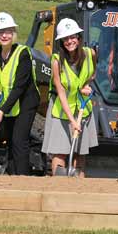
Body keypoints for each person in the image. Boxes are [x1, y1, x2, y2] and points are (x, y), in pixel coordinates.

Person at [42, 18, 97, 177]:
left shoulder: (90, 54)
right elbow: (60, 91)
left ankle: (78, 189)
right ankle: (58, 188)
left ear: (79, 38)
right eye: (65, 39)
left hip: (82, 109)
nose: (70, 41)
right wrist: (72, 121)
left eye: (73, 37)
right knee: (60, 153)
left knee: (80, 155)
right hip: (61, 111)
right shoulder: (57, 61)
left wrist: (87, 85)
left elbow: (92, 74)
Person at [0, 12, 41, 175]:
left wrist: (2, 110)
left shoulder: (23, 53)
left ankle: (23, 178)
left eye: (8, 31)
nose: (4, 35)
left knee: (20, 141)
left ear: (13, 32)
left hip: (26, 101)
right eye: (1, 32)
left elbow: (19, 86)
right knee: (9, 140)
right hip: (9, 101)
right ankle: (12, 176)